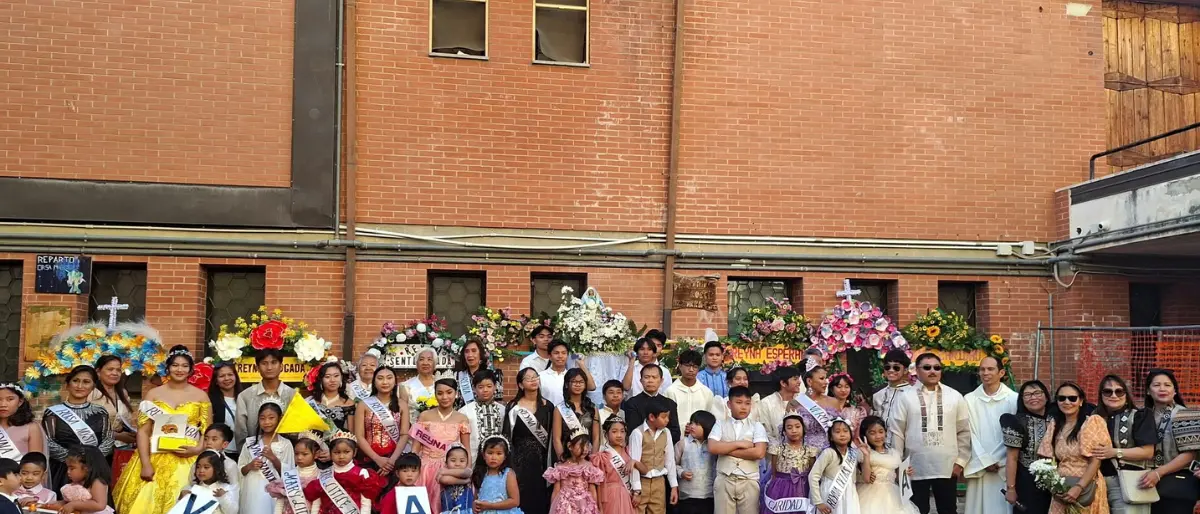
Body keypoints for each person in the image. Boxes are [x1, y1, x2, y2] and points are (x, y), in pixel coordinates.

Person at [113, 345, 211, 514]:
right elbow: (143, 431)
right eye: (175, 365)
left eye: (184, 366)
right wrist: (145, 463)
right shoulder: (153, 394)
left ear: (190, 370)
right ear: (167, 368)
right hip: (154, 455)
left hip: (188, 458)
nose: (179, 369)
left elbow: (207, 431)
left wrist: (198, 449)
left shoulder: (201, 396)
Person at [890, 353, 970, 514]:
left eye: (937, 367)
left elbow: (963, 431)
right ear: (917, 371)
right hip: (914, 467)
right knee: (917, 510)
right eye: (927, 367)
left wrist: (960, 462)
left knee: (948, 510)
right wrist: (899, 464)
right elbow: (896, 432)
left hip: (947, 466)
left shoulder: (955, 396)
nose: (932, 371)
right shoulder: (905, 397)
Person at [1036, 382, 1110, 514]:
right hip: (1061, 490)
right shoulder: (1054, 426)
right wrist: (1054, 487)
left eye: (1072, 398)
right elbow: (1045, 460)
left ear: (1081, 401)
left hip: (1087, 487)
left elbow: (1096, 460)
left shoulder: (1091, 422)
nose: (1067, 402)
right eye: (1061, 398)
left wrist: (1079, 487)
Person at [1090, 374, 1156, 514]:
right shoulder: (1093, 418)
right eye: (1108, 391)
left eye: (1119, 391)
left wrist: (1114, 452)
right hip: (1096, 483)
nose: (1114, 395)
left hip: (1128, 481)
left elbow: (1148, 452)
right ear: (1101, 395)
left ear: (1126, 394)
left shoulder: (1139, 416)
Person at [42, 366, 114, 491]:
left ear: (93, 386)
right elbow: (47, 441)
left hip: (93, 471)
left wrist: (91, 461)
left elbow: (108, 439)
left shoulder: (100, 412)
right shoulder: (52, 413)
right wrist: (73, 461)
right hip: (63, 470)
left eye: (86, 382)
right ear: (68, 385)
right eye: (75, 381)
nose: (80, 386)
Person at [1139, 369, 1199, 514]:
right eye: (1156, 385)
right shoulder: (1139, 415)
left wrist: (1159, 473)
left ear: (1174, 391)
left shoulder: (1186, 414)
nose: (1162, 389)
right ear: (1148, 391)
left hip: (1176, 483)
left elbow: (1189, 454)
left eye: (1167, 385)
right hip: (1143, 482)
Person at [963, 356, 1018, 514]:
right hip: (980, 466)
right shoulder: (969, 399)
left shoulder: (1014, 399)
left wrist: (1000, 460)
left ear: (1001, 372)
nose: (985, 372)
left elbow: (1014, 435)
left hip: (1005, 466)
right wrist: (985, 461)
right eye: (982, 369)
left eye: (990, 369)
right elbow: (968, 432)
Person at [413, 378, 471, 513]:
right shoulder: (424, 416)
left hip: (450, 469)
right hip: (425, 470)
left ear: (456, 393)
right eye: (440, 393)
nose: (444, 397)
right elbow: (415, 448)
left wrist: (467, 472)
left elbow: (466, 448)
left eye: (449, 392)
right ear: (435, 394)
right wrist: (413, 469)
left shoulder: (462, 418)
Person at [708, 386, 769, 514]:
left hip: (749, 480)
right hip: (725, 478)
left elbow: (759, 452)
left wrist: (725, 449)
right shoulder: (720, 424)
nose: (743, 407)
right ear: (729, 404)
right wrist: (740, 443)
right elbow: (713, 447)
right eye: (739, 402)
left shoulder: (757, 426)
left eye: (747, 403)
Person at [502, 367, 553, 514]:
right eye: (528, 378)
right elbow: (506, 436)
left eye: (535, 377)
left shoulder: (547, 406)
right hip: (519, 461)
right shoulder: (513, 406)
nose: (533, 380)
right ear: (520, 385)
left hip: (543, 461)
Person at [1001, 380, 1054, 514]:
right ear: (1022, 399)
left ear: (1046, 397)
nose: (1033, 397)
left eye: (1037, 393)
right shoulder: (1017, 421)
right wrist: (1011, 489)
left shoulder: (1057, 418)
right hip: (1028, 483)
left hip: (1058, 482)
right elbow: (1012, 457)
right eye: (1028, 395)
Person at [303, 432, 384, 514]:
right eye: (337, 452)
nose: (341, 456)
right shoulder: (324, 474)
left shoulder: (361, 473)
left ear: (354, 452)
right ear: (330, 453)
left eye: (346, 452)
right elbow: (317, 501)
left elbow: (365, 502)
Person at [234, 349, 296, 451]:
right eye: (264, 363)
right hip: (254, 457)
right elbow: (241, 432)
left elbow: (297, 429)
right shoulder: (245, 396)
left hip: (286, 455)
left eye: (274, 362)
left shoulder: (292, 395)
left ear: (281, 366)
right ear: (257, 368)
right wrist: (247, 457)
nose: (269, 367)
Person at [238, 401, 295, 514]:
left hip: (274, 492)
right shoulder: (250, 443)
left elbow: (289, 472)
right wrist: (250, 465)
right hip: (252, 489)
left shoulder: (286, 444)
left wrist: (273, 458)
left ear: (279, 419)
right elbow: (240, 470)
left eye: (271, 418)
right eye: (262, 418)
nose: (266, 422)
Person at [856, 416, 918, 514]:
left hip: (893, 493)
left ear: (886, 432)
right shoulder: (863, 453)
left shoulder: (894, 453)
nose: (878, 436)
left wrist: (904, 473)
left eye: (881, 432)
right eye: (872, 433)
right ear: (865, 435)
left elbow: (896, 478)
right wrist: (866, 455)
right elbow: (867, 478)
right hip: (871, 494)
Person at [355, 366, 410, 473]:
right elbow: (359, 436)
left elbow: (404, 435)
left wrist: (392, 461)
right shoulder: (364, 405)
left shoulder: (402, 405)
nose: (385, 382)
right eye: (380, 378)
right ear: (374, 382)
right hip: (368, 459)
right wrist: (377, 459)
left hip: (394, 459)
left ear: (395, 382)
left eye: (389, 378)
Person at [628, 398, 678, 514]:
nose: (667, 420)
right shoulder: (637, 433)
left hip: (659, 483)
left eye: (668, 417)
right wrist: (637, 490)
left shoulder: (666, 433)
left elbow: (670, 461)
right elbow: (634, 462)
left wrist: (674, 486)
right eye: (664, 417)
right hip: (642, 482)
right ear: (651, 417)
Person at [90, 356, 136, 478]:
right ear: (98, 372)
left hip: (120, 449)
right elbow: (86, 424)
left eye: (118, 370)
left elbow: (125, 420)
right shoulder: (91, 393)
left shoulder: (123, 393)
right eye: (110, 369)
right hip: (97, 450)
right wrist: (116, 435)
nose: (115, 373)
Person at [761, 415, 818, 514]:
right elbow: (773, 472)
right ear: (784, 431)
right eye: (789, 427)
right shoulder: (777, 449)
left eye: (797, 426)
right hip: (780, 487)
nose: (794, 430)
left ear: (803, 429)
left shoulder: (810, 450)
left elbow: (812, 472)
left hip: (803, 486)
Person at [544, 431, 604, 514]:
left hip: (584, 505)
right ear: (570, 446)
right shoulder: (561, 467)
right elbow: (556, 491)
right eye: (581, 445)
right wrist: (552, 509)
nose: (585, 449)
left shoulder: (589, 466)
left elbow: (592, 490)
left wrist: (595, 507)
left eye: (587, 445)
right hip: (565, 505)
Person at [808, 419, 860, 514]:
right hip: (830, 493)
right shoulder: (828, 453)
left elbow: (855, 476)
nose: (842, 434)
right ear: (831, 437)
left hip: (849, 493)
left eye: (845, 431)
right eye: (837, 431)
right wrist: (818, 502)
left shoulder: (854, 453)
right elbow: (813, 476)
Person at [623, 365, 682, 444]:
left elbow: (675, 433)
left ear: (661, 381)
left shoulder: (670, 404)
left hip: (665, 449)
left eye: (654, 377)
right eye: (647, 377)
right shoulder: (631, 403)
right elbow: (633, 431)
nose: (650, 380)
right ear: (641, 380)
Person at [553, 369, 600, 460]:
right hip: (567, 456)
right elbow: (556, 439)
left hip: (587, 457)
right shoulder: (559, 409)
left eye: (581, 382)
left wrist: (592, 459)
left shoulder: (592, 408)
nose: (578, 384)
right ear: (567, 384)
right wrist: (563, 461)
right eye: (574, 381)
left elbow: (596, 437)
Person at [51, 446, 114, 514]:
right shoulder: (76, 481)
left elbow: (99, 505)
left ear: (87, 468)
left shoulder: (97, 482)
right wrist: (62, 503)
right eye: (68, 468)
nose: (68, 471)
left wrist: (74, 505)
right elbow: (72, 500)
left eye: (72, 468)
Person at [663, 350, 714, 434]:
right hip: (676, 438)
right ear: (680, 366)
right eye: (687, 366)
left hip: (700, 440)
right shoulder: (670, 391)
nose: (691, 370)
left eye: (695, 367)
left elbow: (710, 418)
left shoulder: (706, 392)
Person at [461, 369, 506, 462]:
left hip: (498, 461)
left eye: (489, 386)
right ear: (474, 388)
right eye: (480, 387)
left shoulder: (503, 410)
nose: (485, 390)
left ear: (495, 387)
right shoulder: (465, 411)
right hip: (473, 460)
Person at [592, 417, 635, 514]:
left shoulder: (629, 452)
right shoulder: (602, 456)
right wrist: (599, 505)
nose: (619, 435)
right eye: (614, 432)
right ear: (606, 434)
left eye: (622, 431)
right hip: (609, 497)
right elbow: (599, 484)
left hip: (626, 496)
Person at [676, 411, 716, 514]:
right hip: (687, 495)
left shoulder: (713, 446)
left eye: (697, 424)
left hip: (709, 495)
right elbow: (672, 465)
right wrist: (681, 472)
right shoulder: (682, 443)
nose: (692, 426)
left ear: (707, 427)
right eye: (692, 423)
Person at [471, 435, 523, 514]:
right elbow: (476, 498)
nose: (494, 457)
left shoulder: (508, 473)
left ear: (505, 456)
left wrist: (490, 505)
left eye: (499, 453)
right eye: (490, 453)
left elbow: (515, 501)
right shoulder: (480, 474)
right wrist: (475, 506)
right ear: (483, 455)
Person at [540, 341, 595, 407]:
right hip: (548, 414)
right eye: (556, 353)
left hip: (570, 414)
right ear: (550, 356)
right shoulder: (541, 376)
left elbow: (591, 387)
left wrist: (582, 365)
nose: (560, 356)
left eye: (564, 353)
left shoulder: (572, 375)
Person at [756, 367, 803, 446]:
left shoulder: (803, 401)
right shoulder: (766, 403)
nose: (799, 382)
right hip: (776, 452)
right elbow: (766, 432)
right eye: (795, 379)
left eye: (798, 379)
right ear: (783, 383)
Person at [871, 350, 913, 433]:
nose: (891, 370)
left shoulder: (913, 394)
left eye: (896, 368)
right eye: (887, 367)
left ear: (905, 370)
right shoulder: (877, 396)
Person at [797, 366, 838, 451]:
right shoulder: (796, 403)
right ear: (809, 381)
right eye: (822, 378)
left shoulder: (834, 402)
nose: (826, 382)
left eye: (826, 378)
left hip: (830, 452)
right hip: (804, 453)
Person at [308, 361, 357, 433]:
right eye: (327, 377)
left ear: (341, 377)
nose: (332, 380)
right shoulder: (311, 401)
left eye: (336, 376)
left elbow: (351, 434)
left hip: (340, 442)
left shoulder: (348, 403)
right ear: (321, 379)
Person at [455, 338, 505, 407]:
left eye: (474, 351)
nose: (470, 355)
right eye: (466, 351)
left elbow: (498, 401)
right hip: (463, 415)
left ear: (480, 354)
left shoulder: (494, 374)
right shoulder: (458, 376)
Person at [0, 384, 43, 462]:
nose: (3, 404)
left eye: (10, 399)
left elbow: (35, 462)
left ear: (20, 401)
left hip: (20, 473)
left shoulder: (31, 427)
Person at [208, 362, 243, 455]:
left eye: (230, 374)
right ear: (216, 380)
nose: (227, 378)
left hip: (244, 451)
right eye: (222, 376)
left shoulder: (244, 397)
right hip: (222, 452)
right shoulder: (210, 401)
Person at [826, 373, 867, 442]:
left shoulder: (857, 411)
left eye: (847, 387)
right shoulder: (825, 408)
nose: (843, 390)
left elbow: (857, 436)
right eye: (839, 387)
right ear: (832, 389)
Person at [403, 347, 441, 422]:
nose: (425, 363)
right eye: (421, 359)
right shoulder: (406, 386)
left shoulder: (442, 383)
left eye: (429, 359)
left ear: (435, 363)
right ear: (416, 363)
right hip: (414, 429)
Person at [437, 445, 475, 513]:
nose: (457, 464)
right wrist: (464, 481)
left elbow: (467, 473)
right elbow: (445, 480)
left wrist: (445, 471)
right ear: (446, 463)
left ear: (467, 463)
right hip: (449, 511)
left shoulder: (467, 472)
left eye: (462, 461)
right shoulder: (444, 476)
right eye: (453, 460)